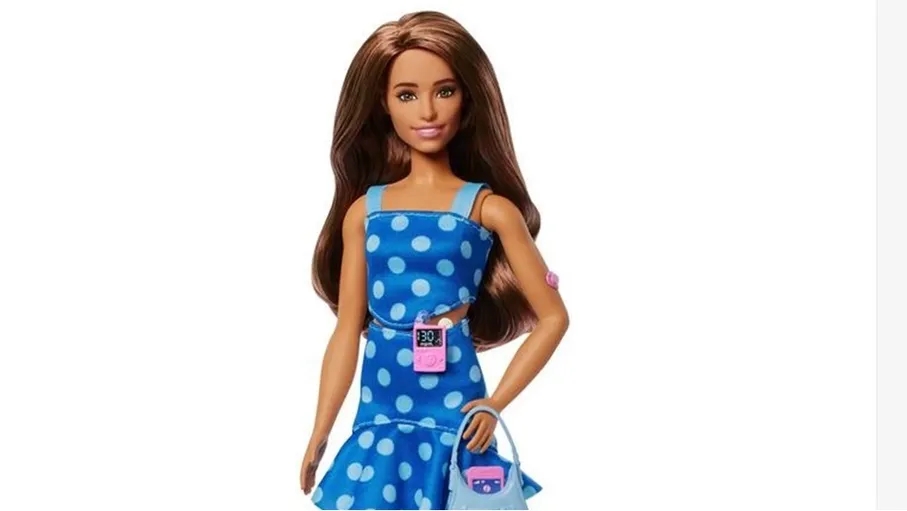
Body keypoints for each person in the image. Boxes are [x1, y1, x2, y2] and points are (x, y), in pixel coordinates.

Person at [300, 10, 570, 510]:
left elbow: (553, 317)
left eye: (444, 91)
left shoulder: (489, 209)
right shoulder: (365, 212)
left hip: (454, 404)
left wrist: (495, 403)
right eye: (407, 95)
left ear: (468, 99)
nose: (427, 111)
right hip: (379, 408)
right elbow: (347, 329)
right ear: (382, 106)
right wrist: (321, 428)